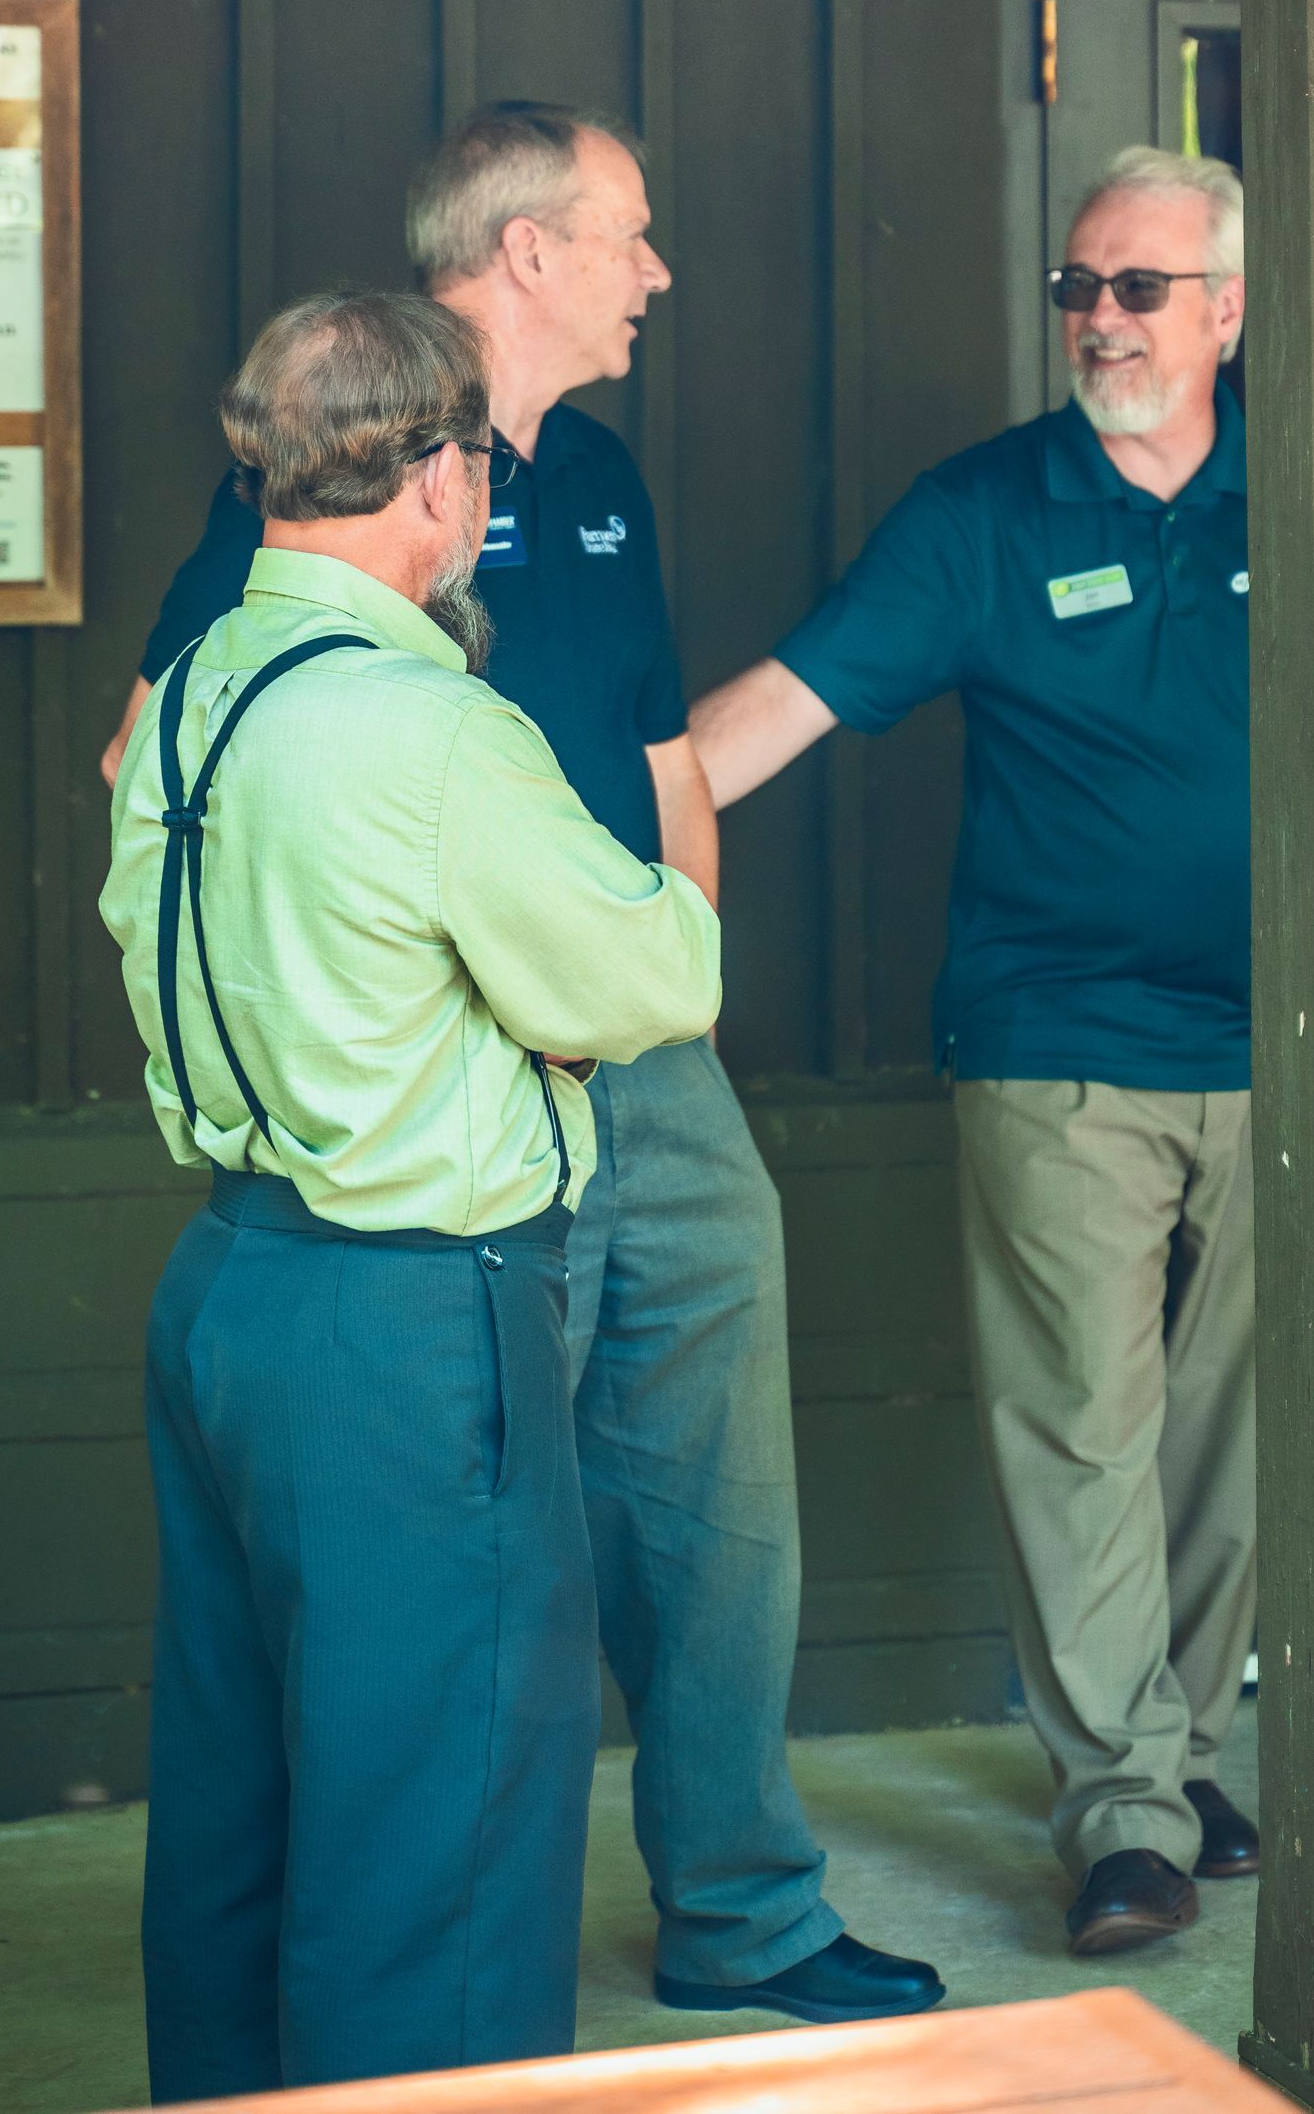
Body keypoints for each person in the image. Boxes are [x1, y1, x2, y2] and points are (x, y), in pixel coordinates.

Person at [99, 105, 941, 2029]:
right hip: (448, 1116)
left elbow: (661, 762)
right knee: (457, 1606)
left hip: (624, 1059)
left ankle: (741, 1906)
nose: (658, 272)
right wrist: (462, 986)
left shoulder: (600, 478)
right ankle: (448, 1982)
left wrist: (666, 996)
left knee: (710, 1511)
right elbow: (172, 767)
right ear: (527, 252)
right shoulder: (335, 492)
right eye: (631, 232)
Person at [101, 290, 722, 2097]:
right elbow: (659, 976)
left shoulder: (192, 693)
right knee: (438, 1852)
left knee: (238, 1820)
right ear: (442, 477)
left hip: (228, 1292)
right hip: (413, 1320)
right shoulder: (435, 727)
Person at [691, 148, 1260, 1960]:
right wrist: (582, 832)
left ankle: (1177, 1755)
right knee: (1084, 1430)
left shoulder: (1308, 486)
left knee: (1231, 1446)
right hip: (1059, 1042)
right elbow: (772, 712)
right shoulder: (985, 513)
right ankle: (1126, 1818)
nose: (1100, 319)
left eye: (1139, 288)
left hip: (1283, 1050)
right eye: (1078, 286)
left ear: (1228, 311)